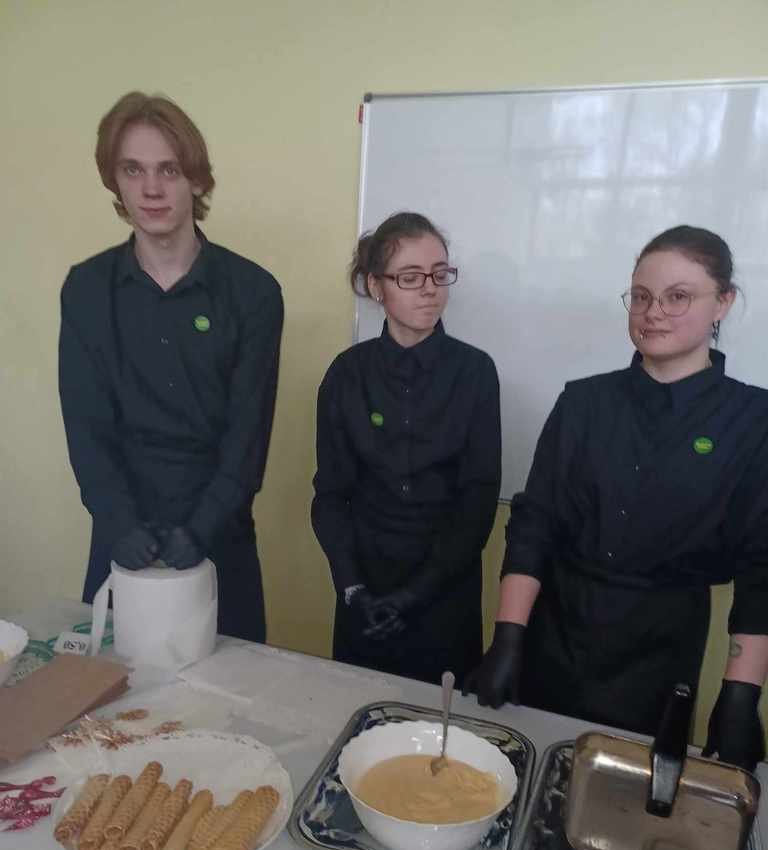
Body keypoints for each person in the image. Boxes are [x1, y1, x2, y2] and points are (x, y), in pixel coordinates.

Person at [466, 225, 766, 772]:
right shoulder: (583, 402)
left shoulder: (752, 420)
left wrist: (741, 695)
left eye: (678, 296)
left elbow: (760, 568)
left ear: (722, 302)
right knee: (531, 775)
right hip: (557, 632)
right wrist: (507, 638)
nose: (654, 313)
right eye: (642, 296)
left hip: (662, 651)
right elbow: (535, 524)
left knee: (627, 797)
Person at [59, 92, 283, 642]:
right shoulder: (87, 289)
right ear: (114, 181)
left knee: (230, 692)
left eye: (169, 170)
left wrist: (201, 529)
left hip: (219, 540)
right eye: (133, 170)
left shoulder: (253, 292)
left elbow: (247, 439)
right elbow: (86, 429)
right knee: (118, 695)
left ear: (197, 180)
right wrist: (119, 523)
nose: (151, 189)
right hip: (122, 537)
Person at [312, 212, 501, 685]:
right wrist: (352, 588)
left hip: (445, 590)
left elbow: (477, 500)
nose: (430, 289)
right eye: (411, 277)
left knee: (441, 725)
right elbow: (331, 496)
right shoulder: (347, 374)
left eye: (440, 274)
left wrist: (415, 595)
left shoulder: (475, 372)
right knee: (354, 714)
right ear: (377, 286)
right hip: (365, 586)